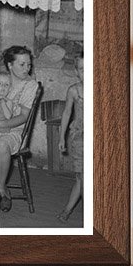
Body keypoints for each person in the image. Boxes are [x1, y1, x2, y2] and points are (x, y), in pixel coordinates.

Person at [0, 45, 38, 212]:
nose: (27, 68)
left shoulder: (30, 85)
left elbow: (24, 117)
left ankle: (1, 188)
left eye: (28, 64)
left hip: (16, 131)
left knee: (0, 145)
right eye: (22, 64)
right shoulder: (1, 79)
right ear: (9, 65)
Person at [57, 48, 84, 223]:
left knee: (86, 179)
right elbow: (67, 114)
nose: (86, 73)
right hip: (80, 138)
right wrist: (61, 137)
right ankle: (72, 211)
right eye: (82, 69)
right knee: (82, 177)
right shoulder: (74, 91)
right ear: (76, 71)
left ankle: (70, 210)